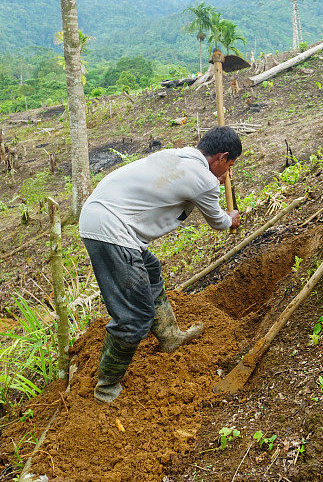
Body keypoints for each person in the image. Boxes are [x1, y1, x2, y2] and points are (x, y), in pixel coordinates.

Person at [79, 126, 241, 403]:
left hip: (103, 216)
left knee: (150, 269)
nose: (227, 174)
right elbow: (218, 222)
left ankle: (170, 336)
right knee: (134, 316)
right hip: (112, 229)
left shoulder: (178, 156)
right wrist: (232, 218)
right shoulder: (204, 178)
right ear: (221, 157)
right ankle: (106, 388)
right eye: (229, 166)